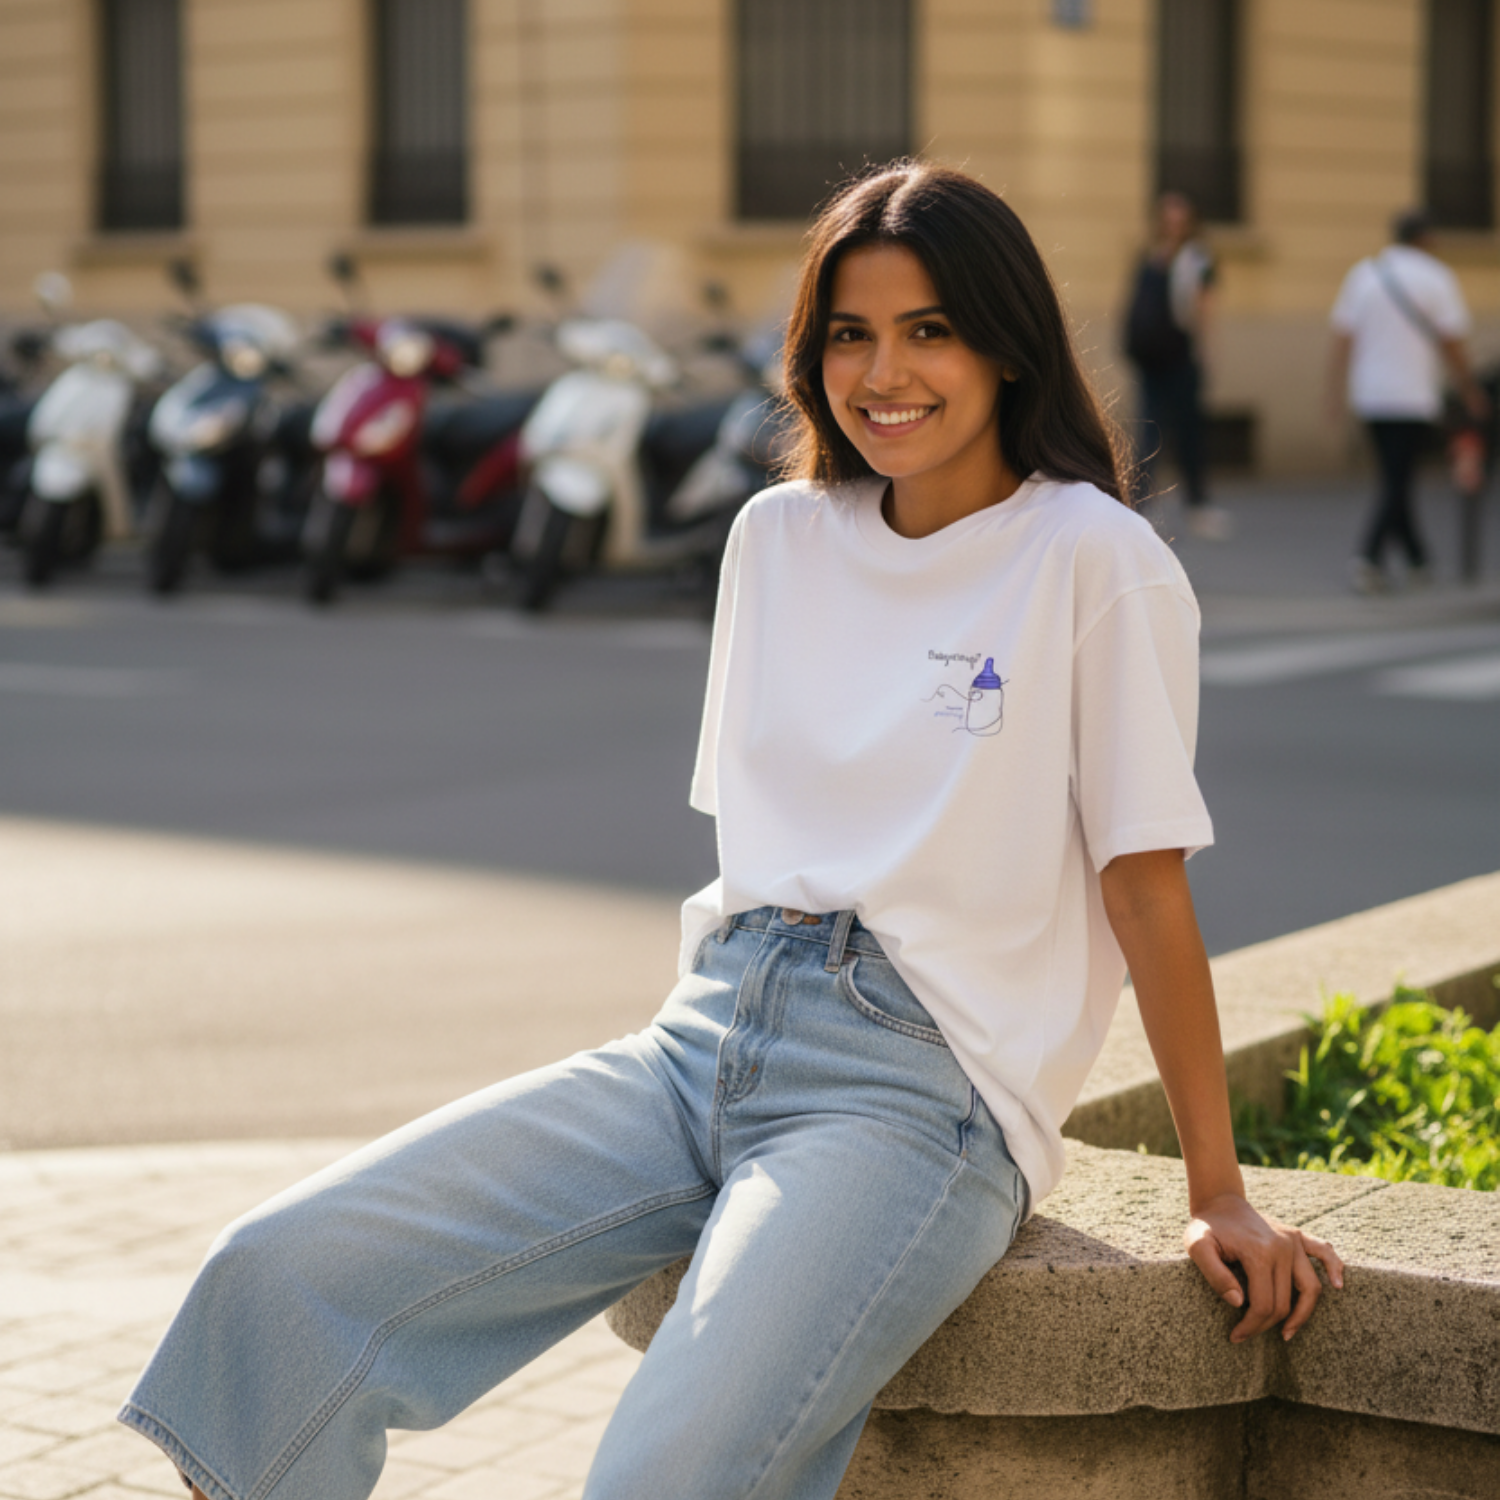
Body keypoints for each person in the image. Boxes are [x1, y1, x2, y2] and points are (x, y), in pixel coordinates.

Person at [118, 163, 1343, 1500]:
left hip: (916, 1100)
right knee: (277, 1283)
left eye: (930, 329)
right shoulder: (777, 538)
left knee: (666, 1471)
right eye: (850, 333)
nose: (887, 371)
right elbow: (771, 848)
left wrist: (1216, 1190)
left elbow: (1146, 889)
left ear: (1006, 343)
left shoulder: (1091, 559)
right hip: (704, 1036)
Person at [1328, 208, 1487, 594]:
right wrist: (1468, 389)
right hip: (1412, 396)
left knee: (1394, 477)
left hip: (1369, 395)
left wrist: (1334, 393)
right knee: (1397, 480)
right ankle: (1367, 558)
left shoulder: (1363, 275)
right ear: (1427, 238)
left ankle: (1418, 559)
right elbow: (1453, 343)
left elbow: (1343, 339)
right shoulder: (1436, 278)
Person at [1123, 190, 1234, 539]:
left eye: (1179, 219)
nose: (1172, 225)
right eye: (1167, 218)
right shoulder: (1148, 257)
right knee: (1148, 430)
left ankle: (1197, 503)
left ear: (1189, 223)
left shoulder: (1198, 259)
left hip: (1182, 359)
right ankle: (1137, 505)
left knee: (1188, 433)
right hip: (1151, 359)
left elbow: (1204, 309)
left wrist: (1205, 355)